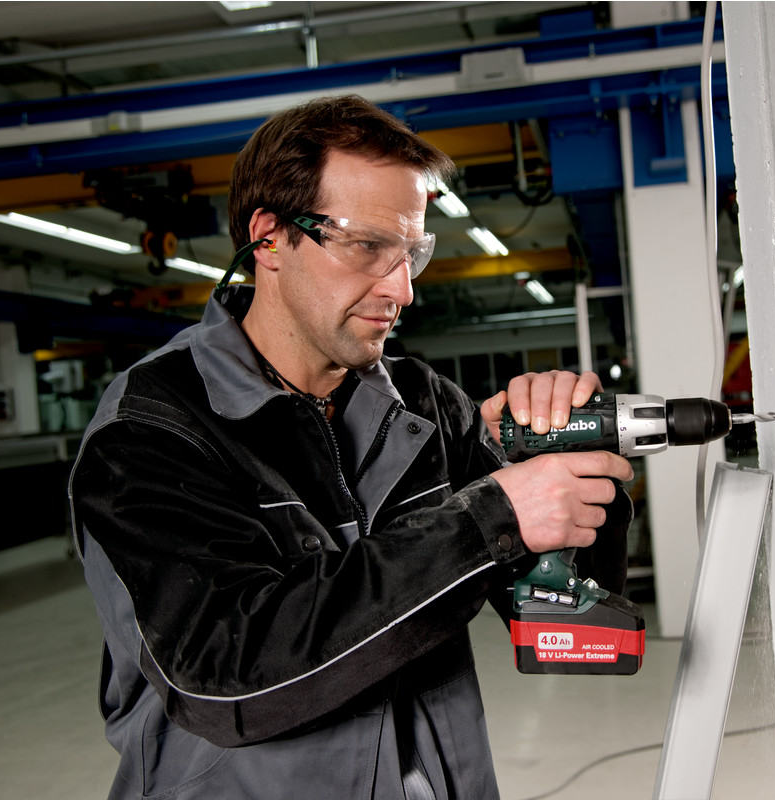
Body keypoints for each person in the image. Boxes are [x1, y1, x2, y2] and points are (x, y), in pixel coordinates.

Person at [70, 94, 634, 800]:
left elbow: (568, 634)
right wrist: (488, 519)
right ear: (269, 238)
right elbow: (226, 680)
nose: (402, 289)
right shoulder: (152, 429)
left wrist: (566, 478)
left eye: (412, 253)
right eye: (368, 247)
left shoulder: (425, 405)